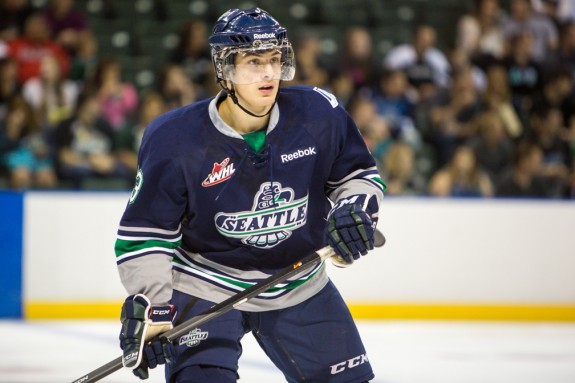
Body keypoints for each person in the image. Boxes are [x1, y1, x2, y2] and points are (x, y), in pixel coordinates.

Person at [114, 7, 385, 383]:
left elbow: (358, 175)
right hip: (206, 283)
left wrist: (353, 211)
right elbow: (146, 236)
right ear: (224, 68)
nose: (269, 73)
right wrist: (155, 310)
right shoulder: (174, 140)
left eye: (275, 59)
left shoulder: (318, 114)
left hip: (298, 281)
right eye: (255, 61)